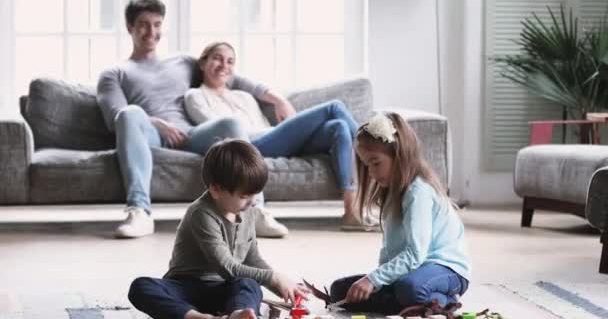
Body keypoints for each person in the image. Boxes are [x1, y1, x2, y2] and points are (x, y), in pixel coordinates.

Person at [96, 0, 289, 238]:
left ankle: (255, 210)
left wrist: (275, 97)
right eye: (144, 25)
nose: (151, 32)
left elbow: (230, 77)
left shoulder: (183, 63)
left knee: (231, 123)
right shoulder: (114, 73)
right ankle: (139, 211)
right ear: (129, 27)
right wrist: (157, 123)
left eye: (157, 24)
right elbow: (115, 116)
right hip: (150, 133)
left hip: (191, 132)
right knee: (129, 113)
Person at [184, 42, 376, 231]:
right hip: (250, 146)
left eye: (230, 61)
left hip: (272, 138)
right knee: (334, 107)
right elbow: (219, 128)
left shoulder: (244, 96)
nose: (224, 66)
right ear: (202, 63)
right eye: (217, 59)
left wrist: (289, 132)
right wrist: (288, 132)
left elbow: (263, 125)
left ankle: (351, 211)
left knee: (340, 127)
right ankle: (376, 158)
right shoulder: (195, 95)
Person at [128, 139, 309, 319]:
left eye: (255, 194)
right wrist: (273, 277)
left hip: (223, 289)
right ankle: (196, 317)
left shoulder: (248, 211)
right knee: (141, 287)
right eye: (245, 195)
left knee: (249, 284)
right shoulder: (201, 213)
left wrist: (280, 285)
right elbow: (227, 268)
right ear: (216, 190)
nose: (253, 201)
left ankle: (237, 313)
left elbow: (252, 259)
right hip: (186, 288)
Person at [328, 113, 471, 314]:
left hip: (446, 270)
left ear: (399, 155)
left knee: (409, 289)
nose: (371, 173)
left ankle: (444, 300)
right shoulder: (391, 193)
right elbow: (389, 250)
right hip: (413, 271)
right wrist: (377, 281)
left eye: (376, 163)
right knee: (339, 290)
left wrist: (373, 280)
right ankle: (409, 304)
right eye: (367, 165)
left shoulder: (418, 192)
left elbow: (415, 254)